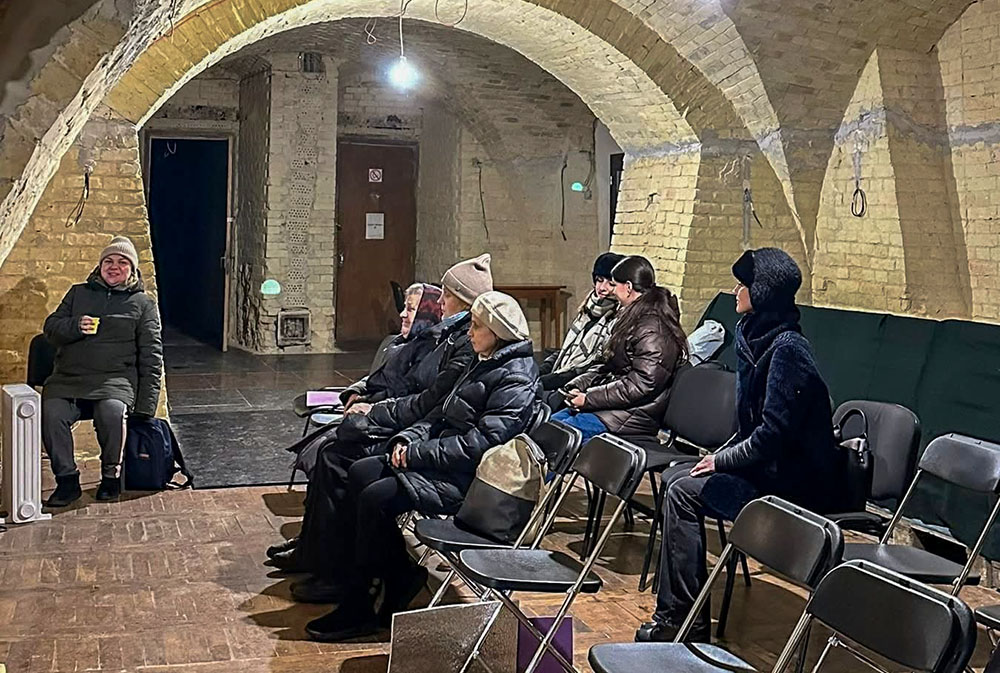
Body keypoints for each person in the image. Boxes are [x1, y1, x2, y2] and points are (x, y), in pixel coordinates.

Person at [301, 291, 541, 642]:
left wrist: (417, 454)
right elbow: (437, 413)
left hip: (469, 481)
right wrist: (407, 440)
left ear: (498, 331)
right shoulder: (482, 361)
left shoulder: (515, 378)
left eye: (476, 326)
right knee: (358, 471)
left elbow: (480, 446)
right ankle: (393, 574)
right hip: (439, 460)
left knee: (374, 498)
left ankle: (360, 604)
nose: (469, 332)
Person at [637, 247, 846, 643]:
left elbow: (771, 436)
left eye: (743, 283)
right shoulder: (759, 338)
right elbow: (749, 427)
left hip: (792, 484)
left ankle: (680, 621)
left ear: (762, 292)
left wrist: (720, 461)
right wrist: (717, 459)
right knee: (679, 474)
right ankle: (679, 614)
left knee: (683, 490)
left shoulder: (787, 351)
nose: (735, 291)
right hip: (767, 471)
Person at [268, 254, 493, 567]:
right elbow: (399, 382)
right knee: (333, 452)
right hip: (412, 426)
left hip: (425, 443)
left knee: (338, 457)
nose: (441, 300)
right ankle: (317, 550)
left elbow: (430, 403)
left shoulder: (462, 345)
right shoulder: (444, 336)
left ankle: (333, 562)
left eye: (447, 294)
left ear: (465, 302)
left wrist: (376, 415)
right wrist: (361, 395)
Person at [40, 235, 163, 506]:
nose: (114, 266)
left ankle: (110, 477)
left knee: (112, 411)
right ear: (99, 266)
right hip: (69, 379)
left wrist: (146, 405)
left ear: (132, 269)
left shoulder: (143, 304)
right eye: (108, 261)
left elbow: (152, 357)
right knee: (52, 412)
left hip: (114, 380)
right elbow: (50, 328)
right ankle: (67, 480)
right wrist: (74, 325)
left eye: (122, 262)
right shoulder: (77, 293)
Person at [552, 255, 688, 444]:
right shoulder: (633, 317)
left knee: (559, 439)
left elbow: (641, 384)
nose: (611, 291)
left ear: (629, 287)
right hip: (614, 408)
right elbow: (607, 366)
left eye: (615, 285)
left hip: (632, 416)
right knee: (551, 426)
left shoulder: (653, 328)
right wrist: (578, 385)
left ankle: (535, 472)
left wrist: (589, 398)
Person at [339, 283, 444, 411]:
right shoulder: (395, 342)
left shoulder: (429, 354)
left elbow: (405, 398)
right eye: (405, 308)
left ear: (426, 314)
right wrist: (355, 391)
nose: (402, 314)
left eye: (411, 310)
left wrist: (369, 407)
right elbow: (377, 376)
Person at [538, 252, 623, 410]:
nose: (602, 288)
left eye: (610, 283)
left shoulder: (618, 320)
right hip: (562, 377)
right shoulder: (587, 310)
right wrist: (539, 371)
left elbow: (591, 367)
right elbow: (565, 351)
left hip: (579, 389)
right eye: (599, 280)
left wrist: (544, 381)